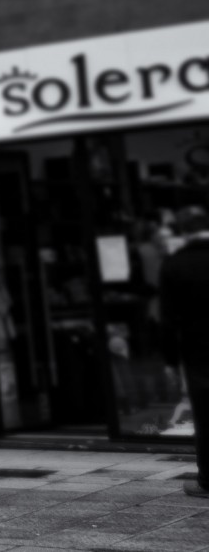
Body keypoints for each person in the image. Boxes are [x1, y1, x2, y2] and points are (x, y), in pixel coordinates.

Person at [157, 204, 209, 498]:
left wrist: (170, 360)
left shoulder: (175, 264)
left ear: (184, 231)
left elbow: (168, 320)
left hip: (199, 348)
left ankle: (208, 480)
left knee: (205, 414)